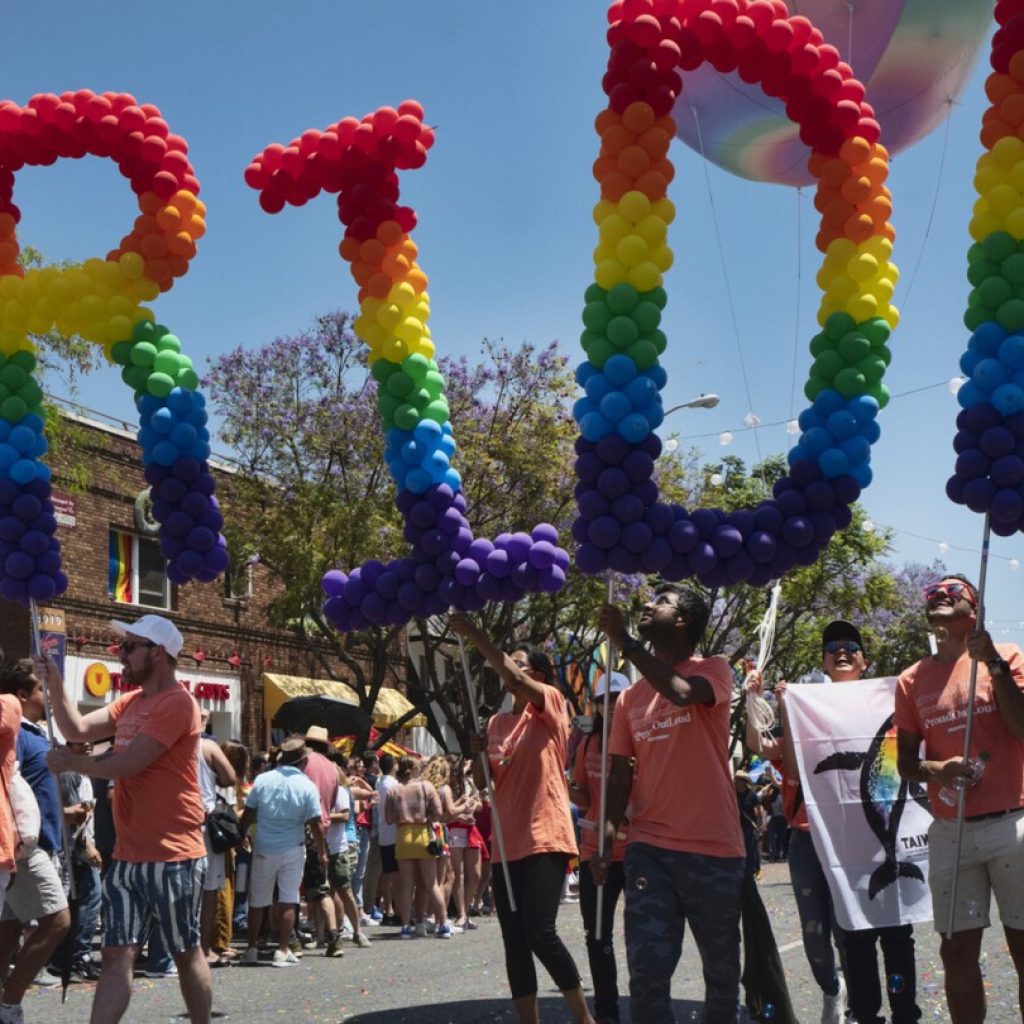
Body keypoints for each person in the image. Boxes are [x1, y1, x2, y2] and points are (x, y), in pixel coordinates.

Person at [42, 613, 212, 1024]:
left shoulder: (179, 703)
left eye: (130, 647)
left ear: (158, 654)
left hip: (174, 855)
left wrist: (70, 763)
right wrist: (55, 681)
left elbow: (130, 763)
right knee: (117, 952)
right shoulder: (131, 702)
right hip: (129, 855)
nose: (121, 654)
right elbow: (78, 727)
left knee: (185, 951)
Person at [595, 585, 744, 1024]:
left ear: (682, 621)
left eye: (661, 601)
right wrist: (605, 838)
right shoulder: (628, 699)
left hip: (714, 851)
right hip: (649, 850)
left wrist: (626, 643)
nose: (647, 604)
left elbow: (680, 692)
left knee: (721, 975)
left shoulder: (714, 669)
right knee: (646, 975)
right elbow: (620, 775)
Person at [450, 614, 595, 1024]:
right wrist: (478, 752)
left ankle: (584, 1018)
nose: (509, 670)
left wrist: (475, 634)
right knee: (514, 940)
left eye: (519, 663)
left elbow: (514, 681)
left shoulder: (549, 701)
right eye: (510, 662)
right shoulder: (498, 722)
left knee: (540, 932)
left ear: (540, 674)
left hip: (545, 835)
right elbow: (484, 781)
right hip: (506, 842)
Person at [895, 575, 1024, 1024]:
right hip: (952, 833)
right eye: (931, 594)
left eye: (951, 592)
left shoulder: (1006, 655)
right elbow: (907, 764)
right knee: (956, 954)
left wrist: (994, 667)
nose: (938, 597)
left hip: (1014, 828)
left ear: (974, 607)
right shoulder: (911, 680)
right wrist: (940, 770)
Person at [0, 659, 72, 1020]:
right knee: (57, 921)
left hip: (34, 844)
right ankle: (8, 1004)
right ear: (21, 696)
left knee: (10, 929)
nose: (47, 696)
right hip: (29, 846)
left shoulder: (35, 734)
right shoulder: (18, 735)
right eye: (41, 689)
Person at [568, 670, 630, 1024]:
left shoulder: (641, 739)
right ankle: (608, 1013)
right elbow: (582, 793)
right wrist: (560, 788)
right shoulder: (588, 742)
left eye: (618, 699)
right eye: (605, 700)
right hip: (595, 855)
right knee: (598, 936)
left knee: (642, 937)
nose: (611, 706)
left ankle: (651, 1004)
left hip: (635, 851)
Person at [239, 736, 326, 967]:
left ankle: (251, 949)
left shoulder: (263, 779)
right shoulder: (307, 785)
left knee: (257, 900)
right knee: (289, 898)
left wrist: (241, 835)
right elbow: (316, 822)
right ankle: (283, 949)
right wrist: (322, 850)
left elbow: (249, 812)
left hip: (264, 845)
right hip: (292, 847)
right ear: (303, 762)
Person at [51, 739, 104, 983]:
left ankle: (71, 955)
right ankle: (76, 956)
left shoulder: (84, 772)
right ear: (68, 746)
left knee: (83, 901)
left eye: (89, 743)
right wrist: (88, 845)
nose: (87, 746)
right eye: (80, 744)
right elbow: (74, 814)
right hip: (74, 846)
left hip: (81, 842)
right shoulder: (69, 773)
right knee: (89, 899)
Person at [385, 755, 451, 938]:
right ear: (414, 769)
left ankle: (406, 926)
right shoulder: (426, 786)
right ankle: (443, 924)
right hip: (423, 834)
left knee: (406, 885)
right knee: (431, 883)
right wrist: (426, 817)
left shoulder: (393, 790)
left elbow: (388, 819)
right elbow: (438, 813)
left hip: (403, 836)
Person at [197, 711, 237, 966]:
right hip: (204, 823)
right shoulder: (206, 746)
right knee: (210, 890)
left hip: (174, 825)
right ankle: (202, 949)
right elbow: (230, 778)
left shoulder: (167, 743)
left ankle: (174, 951)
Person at [299, 726, 343, 957]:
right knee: (322, 888)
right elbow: (333, 801)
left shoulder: (302, 762)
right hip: (322, 830)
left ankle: (292, 940)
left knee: (292, 887)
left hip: (301, 827)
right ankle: (332, 936)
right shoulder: (333, 768)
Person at [446, 756, 484, 932]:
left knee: (475, 874)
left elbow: (480, 804)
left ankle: (467, 911)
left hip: (471, 828)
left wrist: (474, 804)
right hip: (454, 828)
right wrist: (462, 806)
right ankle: (461, 913)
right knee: (458, 873)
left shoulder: (470, 782)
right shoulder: (448, 786)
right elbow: (447, 810)